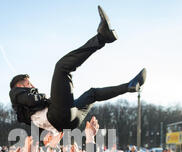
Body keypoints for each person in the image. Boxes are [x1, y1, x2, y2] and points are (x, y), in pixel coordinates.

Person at [9, 6, 146, 134]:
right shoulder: (15, 93)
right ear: (19, 84)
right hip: (57, 116)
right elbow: (34, 101)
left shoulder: (26, 108)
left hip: (70, 121)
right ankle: (102, 38)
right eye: (29, 83)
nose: (33, 86)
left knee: (92, 94)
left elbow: (36, 119)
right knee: (61, 67)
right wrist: (46, 98)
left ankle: (130, 86)